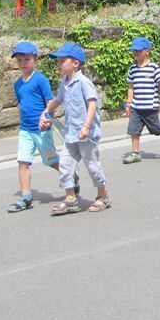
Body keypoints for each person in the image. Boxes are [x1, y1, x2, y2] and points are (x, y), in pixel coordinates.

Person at [44, 42, 111, 214]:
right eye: (57, 61)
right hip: (71, 133)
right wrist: (46, 112)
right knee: (65, 165)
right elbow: (57, 100)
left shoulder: (83, 82)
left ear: (75, 63)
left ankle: (103, 196)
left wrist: (86, 126)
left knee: (92, 166)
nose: (58, 64)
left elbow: (92, 103)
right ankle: (71, 198)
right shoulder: (64, 83)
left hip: (85, 134)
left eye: (61, 61)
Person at [6, 41, 63, 212]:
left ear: (35, 59)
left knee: (51, 161)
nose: (23, 63)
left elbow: (50, 103)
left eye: (26, 59)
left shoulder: (40, 80)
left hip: (42, 128)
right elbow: (22, 104)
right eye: (19, 60)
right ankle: (26, 197)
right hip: (25, 129)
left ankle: (69, 175)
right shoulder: (18, 84)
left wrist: (46, 117)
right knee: (23, 161)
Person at [122, 36, 160, 164]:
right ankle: (136, 153)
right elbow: (131, 88)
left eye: (138, 50)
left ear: (147, 51)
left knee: (157, 129)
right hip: (136, 107)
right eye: (133, 50)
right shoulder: (133, 69)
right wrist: (128, 104)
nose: (135, 52)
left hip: (150, 107)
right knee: (134, 129)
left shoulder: (154, 67)